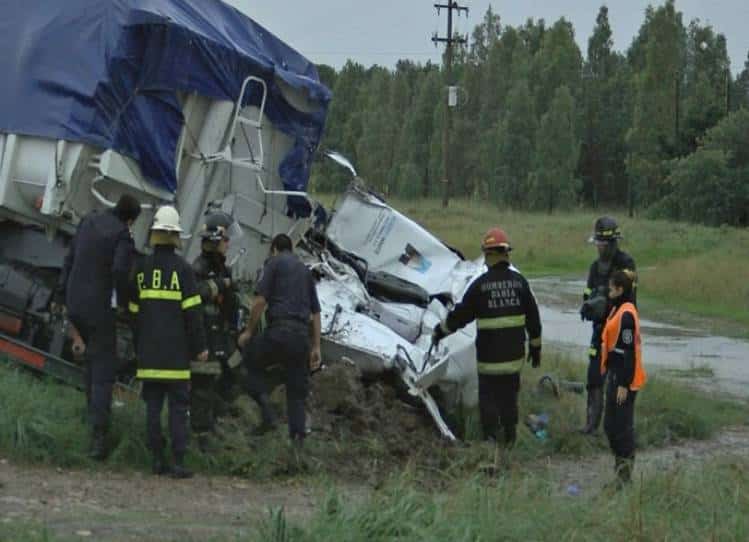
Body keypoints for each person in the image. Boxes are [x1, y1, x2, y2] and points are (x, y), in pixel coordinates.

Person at [432, 227, 542, 447]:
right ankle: (509, 440)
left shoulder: (480, 286)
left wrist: (439, 332)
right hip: (513, 360)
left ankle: (491, 440)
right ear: (506, 254)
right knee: (509, 400)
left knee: (489, 401)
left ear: (490, 255)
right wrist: (536, 348)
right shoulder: (520, 283)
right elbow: (534, 319)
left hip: (489, 361)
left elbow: (460, 316)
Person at [56, 194, 141, 459]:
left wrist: (61, 296)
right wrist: (125, 301)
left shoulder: (88, 221)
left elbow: (69, 259)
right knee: (103, 372)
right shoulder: (123, 236)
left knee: (90, 369)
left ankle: (91, 421)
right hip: (99, 310)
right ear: (130, 220)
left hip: (75, 302)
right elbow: (118, 271)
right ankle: (98, 440)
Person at [129, 206, 208, 478]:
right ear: (176, 236)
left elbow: (133, 314)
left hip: (149, 356)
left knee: (152, 408)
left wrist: (139, 346)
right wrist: (200, 348)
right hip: (176, 358)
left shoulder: (140, 269)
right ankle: (178, 462)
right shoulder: (184, 271)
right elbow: (193, 315)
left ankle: (156, 460)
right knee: (178, 410)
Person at [238, 234, 322, 448]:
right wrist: (316, 347)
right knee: (296, 393)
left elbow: (259, 302)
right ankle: (297, 446)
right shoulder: (305, 271)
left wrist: (248, 331)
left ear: (274, 249)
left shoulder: (273, 263)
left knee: (247, 363)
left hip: (279, 333)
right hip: (301, 338)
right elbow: (316, 313)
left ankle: (267, 414)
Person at [579, 216, 636, 435]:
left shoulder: (626, 264)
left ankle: (619, 427)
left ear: (613, 243)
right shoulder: (595, 268)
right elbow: (588, 293)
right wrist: (586, 306)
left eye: (602, 244)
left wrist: (603, 299)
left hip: (622, 330)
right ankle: (591, 425)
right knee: (594, 376)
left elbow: (625, 296)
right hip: (600, 331)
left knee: (620, 379)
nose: (599, 248)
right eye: (597, 244)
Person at [190, 211, 242, 447]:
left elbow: (229, 304)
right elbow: (198, 295)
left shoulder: (224, 269)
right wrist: (222, 285)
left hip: (223, 336)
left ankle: (215, 420)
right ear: (214, 240)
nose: (228, 243)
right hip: (204, 337)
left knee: (235, 373)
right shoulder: (198, 267)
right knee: (203, 383)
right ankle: (201, 434)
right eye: (225, 239)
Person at [601, 269, 646, 487]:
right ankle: (620, 471)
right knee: (610, 425)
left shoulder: (626, 314)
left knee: (621, 428)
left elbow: (627, 351)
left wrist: (623, 384)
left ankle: (625, 477)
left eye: (611, 288)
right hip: (616, 376)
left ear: (620, 289)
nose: (608, 291)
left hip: (624, 381)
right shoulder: (618, 309)